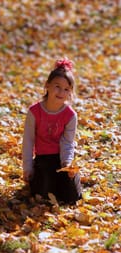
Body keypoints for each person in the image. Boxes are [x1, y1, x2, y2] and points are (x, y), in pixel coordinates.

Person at [22, 58, 82, 204]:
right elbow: (28, 141)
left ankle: (70, 180)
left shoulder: (70, 115)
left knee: (72, 197)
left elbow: (67, 142)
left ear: (70, 92)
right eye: (57, 86)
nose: (61, 92)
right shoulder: (35, 112)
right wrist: (28, 167)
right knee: (43, 194)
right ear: (47, 85)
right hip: (43, 159)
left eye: (66, 89)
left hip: (61, 157)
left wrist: (66, 164)